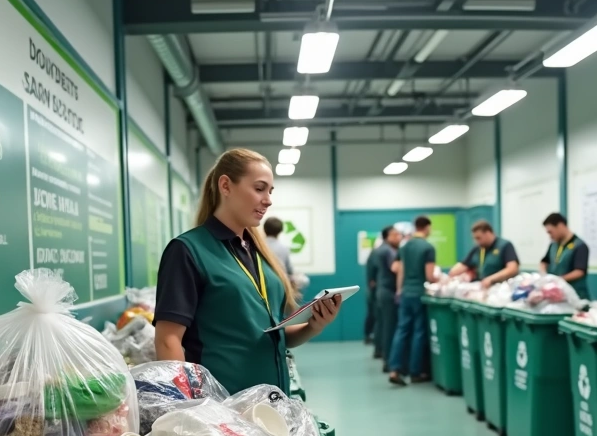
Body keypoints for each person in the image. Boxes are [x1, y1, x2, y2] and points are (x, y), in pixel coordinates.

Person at [153, 148, 341, 395]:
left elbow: (273, 337)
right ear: (226, 186)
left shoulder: (259, 254)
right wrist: (191, 409)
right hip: (223, 409)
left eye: (270, 191)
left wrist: (314, 326)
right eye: (259, 188)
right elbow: (168, 340)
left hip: (271, 404)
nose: (268, 199)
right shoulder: (188, 251)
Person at [387, 216, 437, 386]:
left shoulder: (405, 246)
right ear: (427, 227)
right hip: (419, 294)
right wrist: (442, 282)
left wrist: (399, 290)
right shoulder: (428, 247)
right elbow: (430, 276)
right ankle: (415, 372)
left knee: (401, 330)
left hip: (406, 292)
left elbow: (399, 271)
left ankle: (394, 368)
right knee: (419, 332)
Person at [449, 220, 520, 288]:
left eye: (478, 238)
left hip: (501, 288)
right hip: (481, 287)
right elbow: (461, 266)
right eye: (475, 238)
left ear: (488, 233)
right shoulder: (477, 249)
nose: (476, 241)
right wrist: (452, 274)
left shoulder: (505, 246)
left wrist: (491, 279)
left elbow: (512, 269)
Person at [372, 226, 402, 372]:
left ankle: (387, 358)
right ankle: (390, 362)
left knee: (385, 326)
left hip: (382, 291)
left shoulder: (381, 249)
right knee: (390, 328)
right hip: (388, 292)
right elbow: (395, 269)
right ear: (387, 236)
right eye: (395, 234)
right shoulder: (388, 250)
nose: (399, 237)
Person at [540, 213, 590, 300]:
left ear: (560, 226)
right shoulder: (554, 245)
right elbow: (544, 261)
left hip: (576, 296)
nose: (550, 236)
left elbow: (579, 272)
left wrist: (558, 280)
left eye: (550, 232)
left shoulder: (579, 246)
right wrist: (544, 276)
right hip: (557, 296)